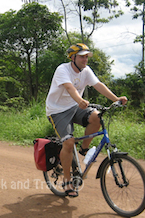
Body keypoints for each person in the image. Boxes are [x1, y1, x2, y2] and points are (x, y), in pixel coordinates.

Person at [45, 43, 127, 197]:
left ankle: (83, 149)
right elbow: (70, 88)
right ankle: (68, 181)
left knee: (96, 117)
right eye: (82, 56)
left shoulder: (86, 71)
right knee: (68, 143)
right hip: (57, 111)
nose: (85, 59)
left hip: (75, 107)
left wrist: (116, 99)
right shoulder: (62, 69)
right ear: (73, 57)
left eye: (86, 56)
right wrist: (79, 100)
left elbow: (99, 85)